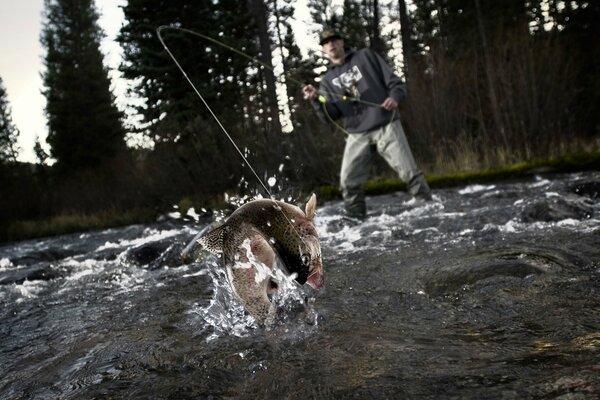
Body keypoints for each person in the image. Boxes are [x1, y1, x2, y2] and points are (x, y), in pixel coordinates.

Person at [303, 29, 432, 219]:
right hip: (357, 134)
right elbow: (331, 115)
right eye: (326, 43)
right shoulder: (327, 81)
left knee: (410, 173)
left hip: (385, 123)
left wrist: (394, 98)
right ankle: (357, 223)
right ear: (323, 49)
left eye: (334, 40)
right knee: (348, 183)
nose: (331, 44)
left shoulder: (366, 56)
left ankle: (430, 210)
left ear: (341, 42)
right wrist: (315, 100)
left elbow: (396, 83)